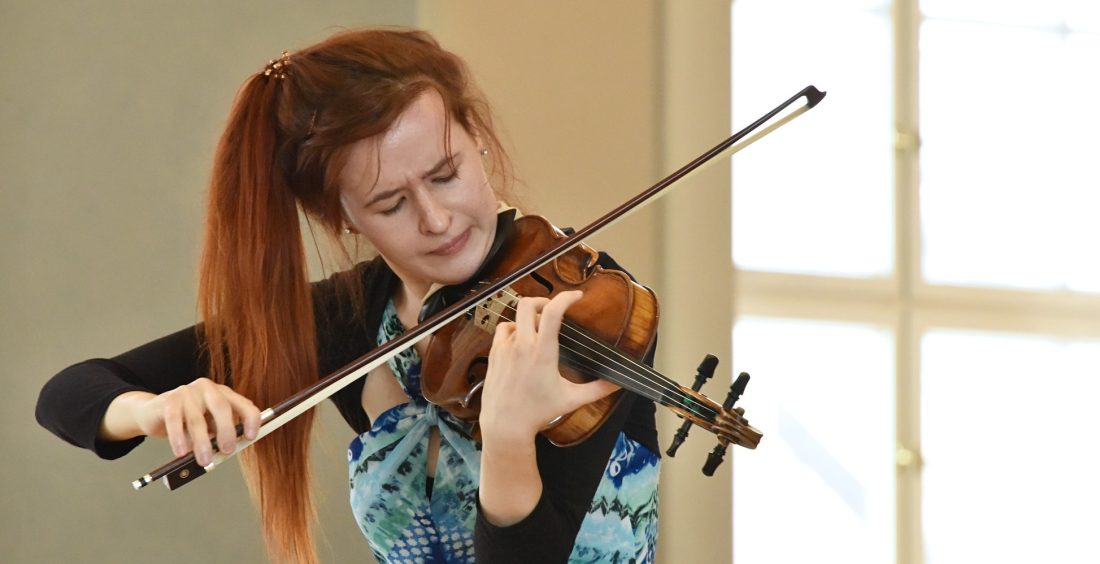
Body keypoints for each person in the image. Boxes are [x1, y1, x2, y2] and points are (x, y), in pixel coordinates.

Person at [34, 28, 660, 564]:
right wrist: (156, 409)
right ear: (345, 219)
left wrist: (505, 437)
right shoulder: (349, 318)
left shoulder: (586, 302)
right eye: (391, 203)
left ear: (478, 141)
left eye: (446, 174)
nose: (437, 219)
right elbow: (69, 394)